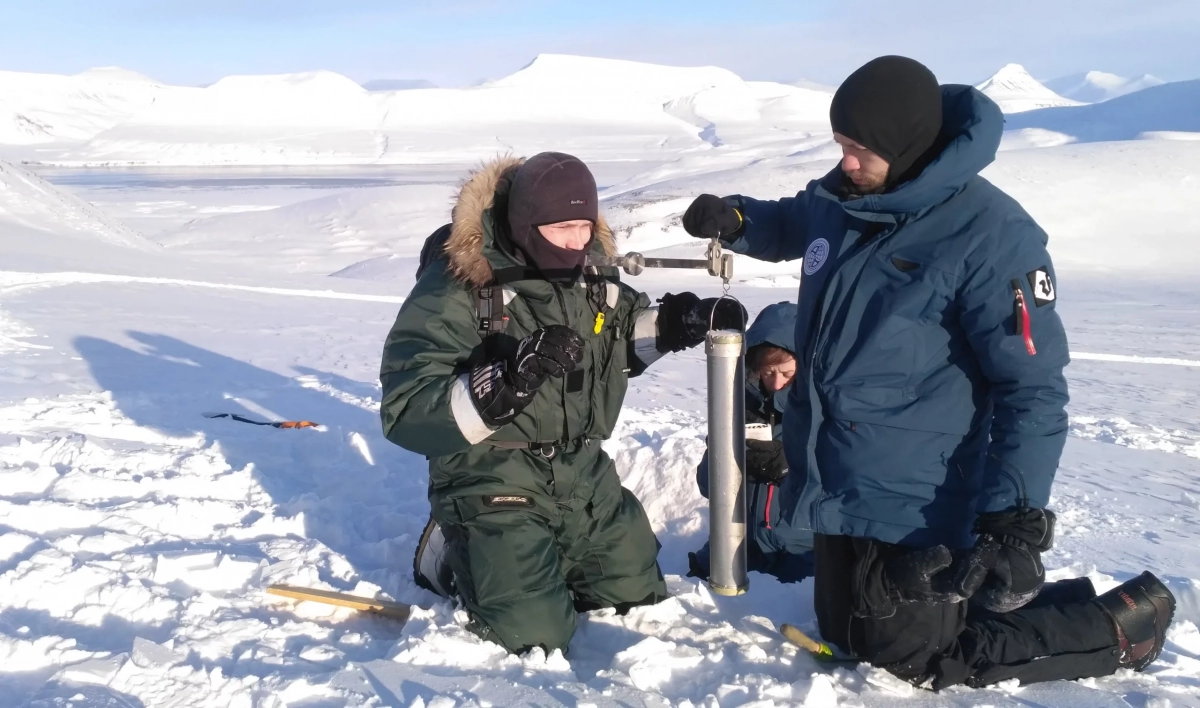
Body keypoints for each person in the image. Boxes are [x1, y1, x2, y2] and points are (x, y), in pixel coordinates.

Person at [679, 56, 1175, 689]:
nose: (846, 162)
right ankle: (1008, 608)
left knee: (911, 660)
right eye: (841, 146)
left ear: (907, 144)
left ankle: (1119, 630)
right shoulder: (844, 197)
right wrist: (740, 220)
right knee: (845, 633)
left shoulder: (992, 236)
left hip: (920, 496)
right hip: (836, 480)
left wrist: (1015, 522)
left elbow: (1034, 389)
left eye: (860, 149)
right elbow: (795, 221)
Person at [380, 152, 745, 655]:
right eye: (563, 229)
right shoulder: (459, 289)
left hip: (581, 474)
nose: (578, 242)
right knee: (534, 635)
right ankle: (448, 550)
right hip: (491, 475)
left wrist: (673, 325)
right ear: (527, 225)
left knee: (638, 602)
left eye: (584, 226)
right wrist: (503, 383)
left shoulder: (592, 275)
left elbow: (615, 338)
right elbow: (405, 409)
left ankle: (540, 556)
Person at [687, 302, 815, 584]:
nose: (777, 383)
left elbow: (839, 487)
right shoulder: (737, 406)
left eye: (787, 374)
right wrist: (723, 451)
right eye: (768, 373)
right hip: (737, 544)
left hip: (800, 551)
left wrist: (787, 467)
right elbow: (707, 487)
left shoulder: (821, 411)